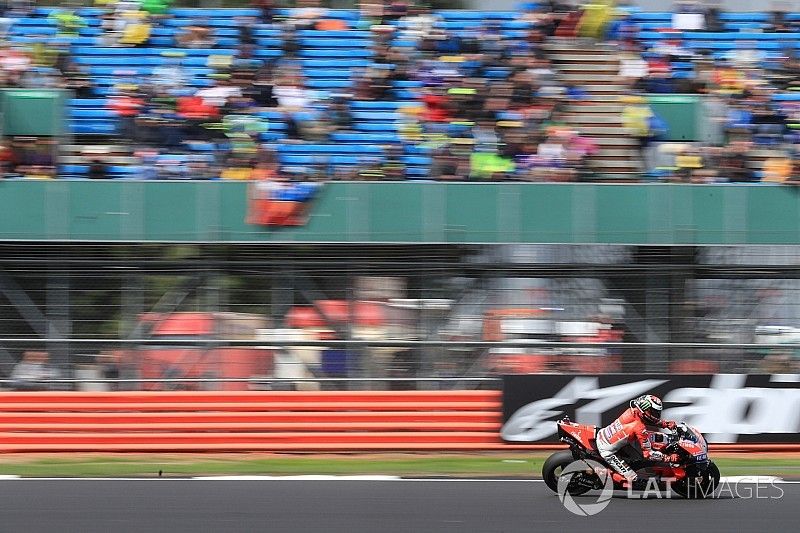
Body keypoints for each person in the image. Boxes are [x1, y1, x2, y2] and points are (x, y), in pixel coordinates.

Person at [595, 394, 678, 487]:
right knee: (632, 479)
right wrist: (668, 458)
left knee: (636, 460)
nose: (656, 415)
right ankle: (599, 471)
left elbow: (648, 419)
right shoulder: (639, 428)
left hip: (605, 435)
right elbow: (648, 454)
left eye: (657, 412)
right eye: (654, 412)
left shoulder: (632, 411)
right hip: (607, 450)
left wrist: (665, 424)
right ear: (645, 409)